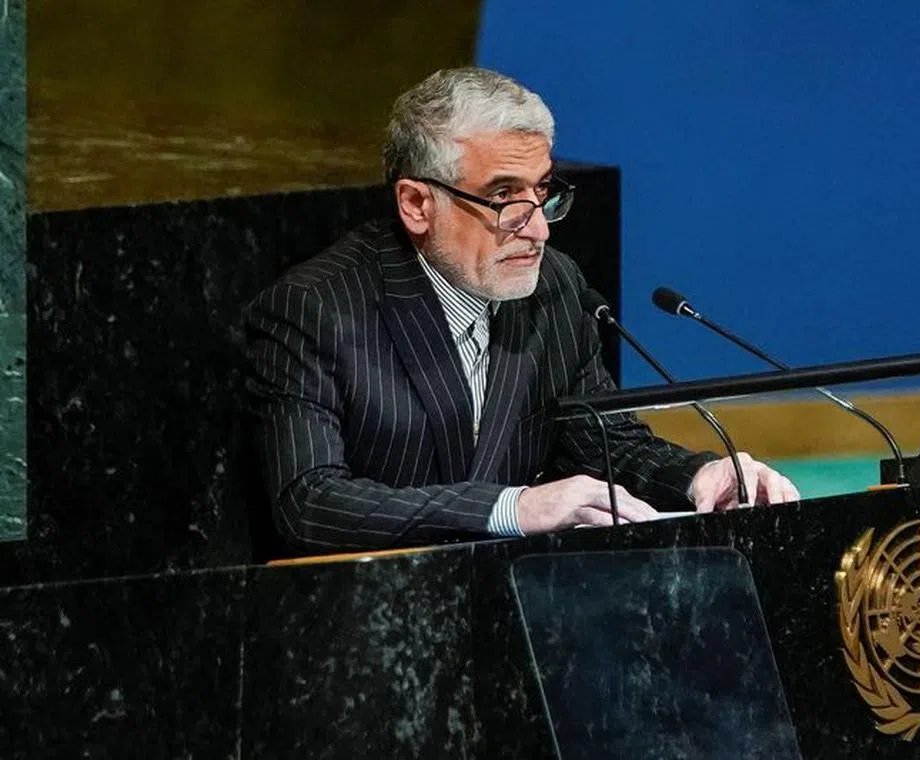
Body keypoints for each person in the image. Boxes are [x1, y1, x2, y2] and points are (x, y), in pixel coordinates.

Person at [243, 67, 799, 553]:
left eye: (542, 193)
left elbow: (604, 443)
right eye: (504, 196)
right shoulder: (317, 309)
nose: (536, 228)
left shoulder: (553, 287)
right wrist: (513, 508)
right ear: (417, 204)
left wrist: (698, 474)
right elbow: (311, 502)